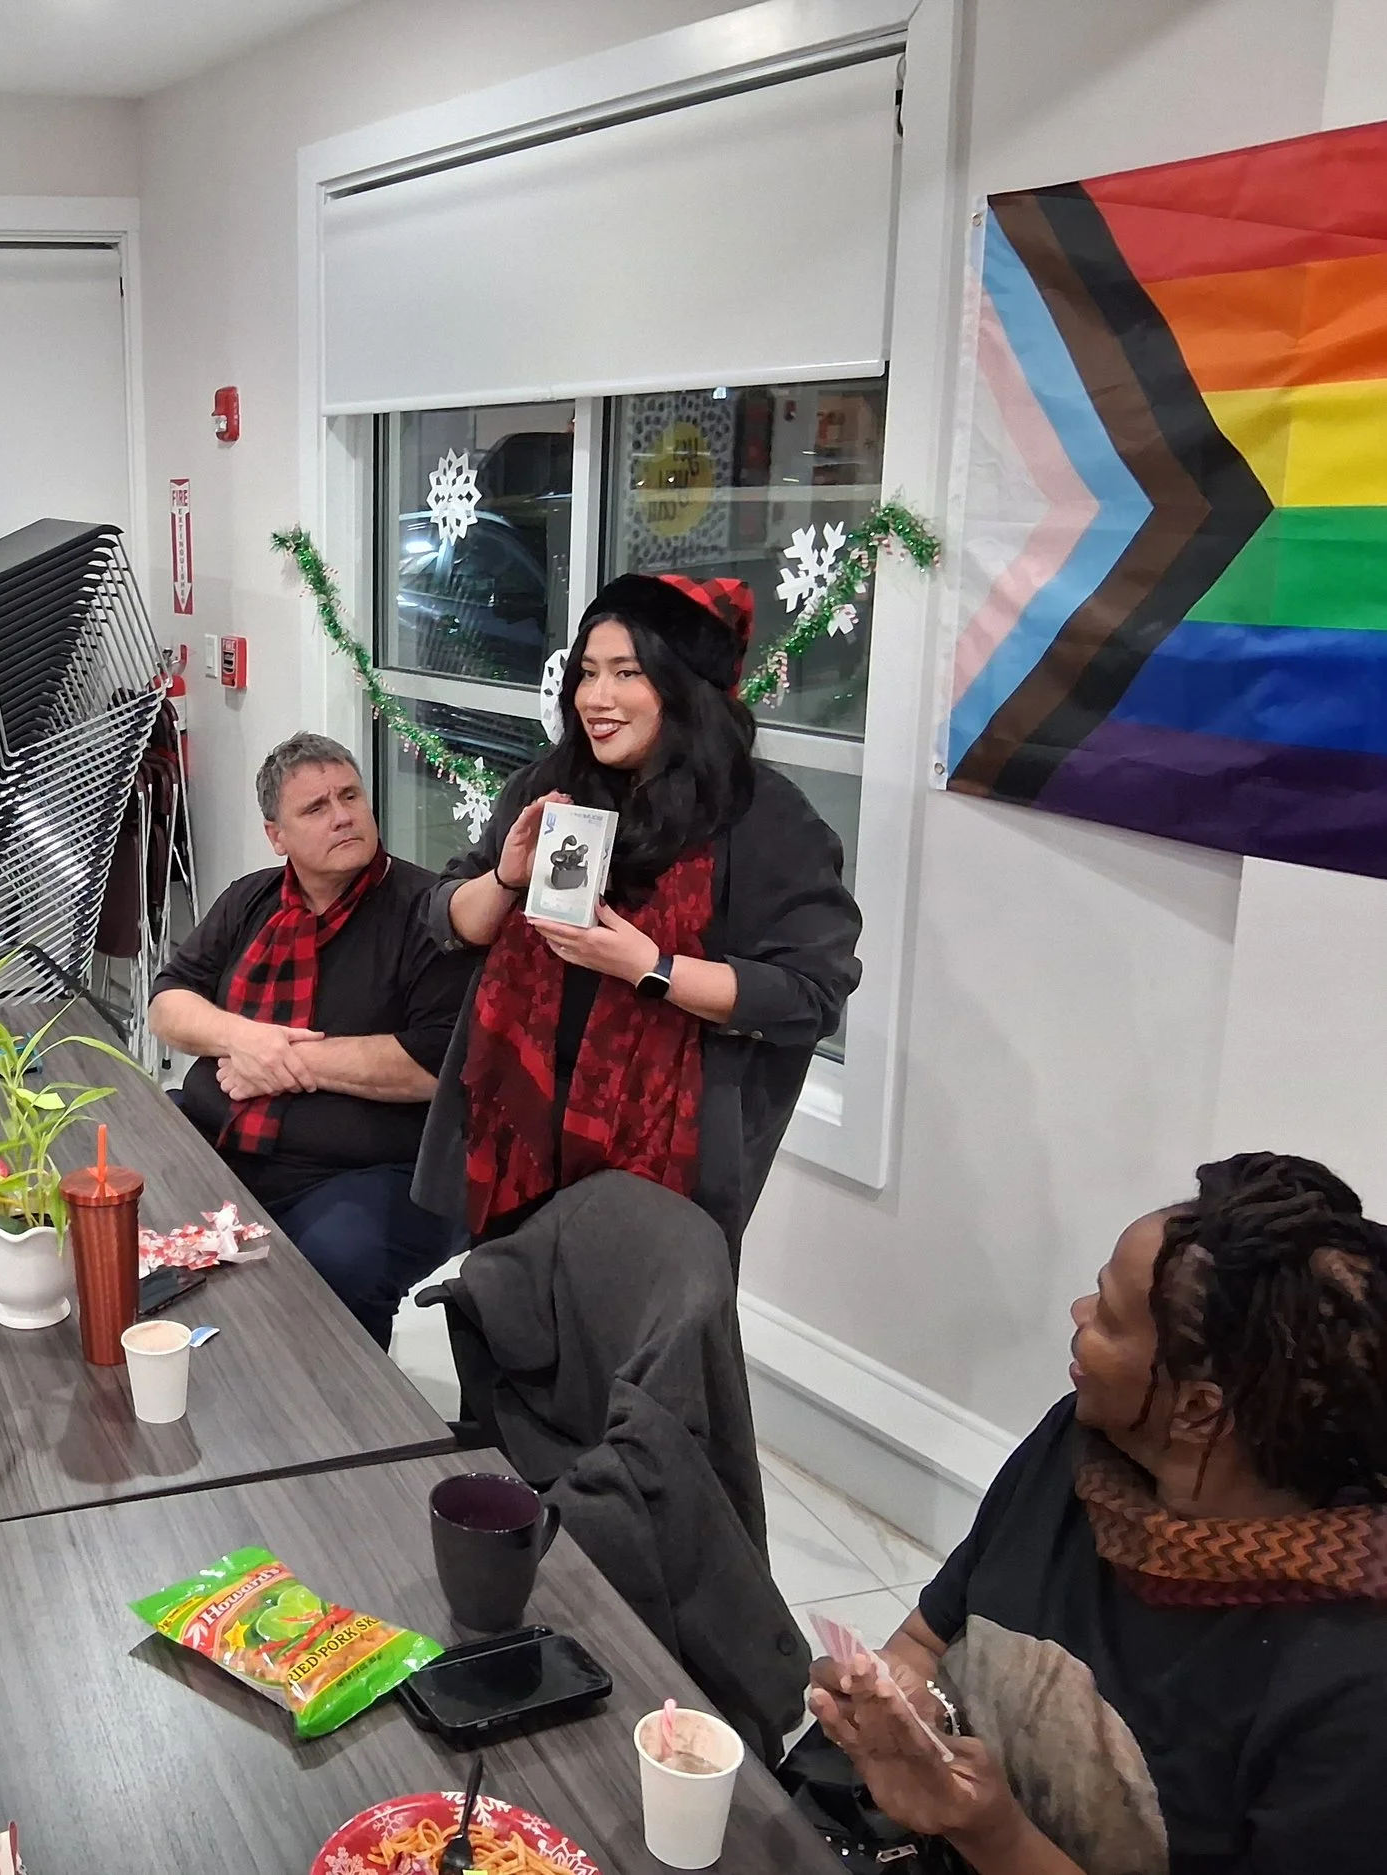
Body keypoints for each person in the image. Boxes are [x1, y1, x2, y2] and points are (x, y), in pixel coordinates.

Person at [808, 1152, 1387, 1870]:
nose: (1079, 1316)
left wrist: (995, 1834)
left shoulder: (1350, 1684)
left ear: (1201, 1410)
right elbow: (928, 1638)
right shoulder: (1081, 1448)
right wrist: (899, 1710)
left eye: (1109, 1318)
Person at [412, 573, 862, 1255]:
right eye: (587, 672)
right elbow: (450, 918)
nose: (597, 697)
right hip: (515, 1133)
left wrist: (648, 967)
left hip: (663, 1163)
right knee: (506, 1331)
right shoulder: (549, 785)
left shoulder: (763, 817)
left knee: (633, 1345)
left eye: (627, 673)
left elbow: (809, 995)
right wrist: (505, 876)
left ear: (683, 686)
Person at [149, 733, 475, 1343]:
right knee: (127, 1194)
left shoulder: (430, 912)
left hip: (366, 1171)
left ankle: (335, 1421)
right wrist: (244, 1039)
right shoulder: (251, 899)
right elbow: (168, 1001)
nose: (343, 815)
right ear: (278, 836)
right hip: (224, 1134)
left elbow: (435, 1066)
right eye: (316, 808)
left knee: (333, 1270)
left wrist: (283, 1058)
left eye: (350, 796)